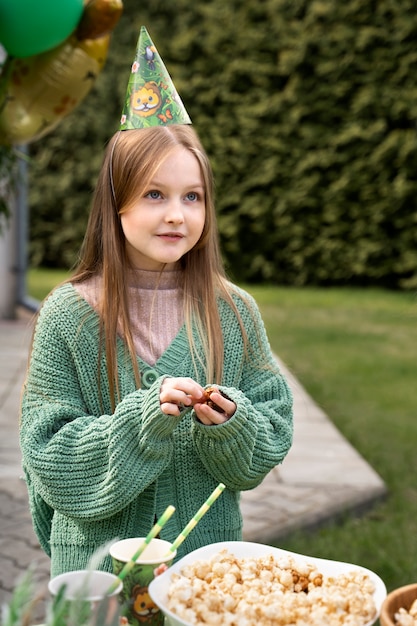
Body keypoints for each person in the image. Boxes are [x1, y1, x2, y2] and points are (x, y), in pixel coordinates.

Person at [19, 27, 293, 578]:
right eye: (154, 194)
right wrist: (141, 422)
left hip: (204, 570)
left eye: (192, 196)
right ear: (115, 206)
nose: (177, 214)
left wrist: (233, 423)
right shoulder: (69, 315)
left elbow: (272, 432)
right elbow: (48, 455)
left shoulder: (233, 313)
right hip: (98, 569)